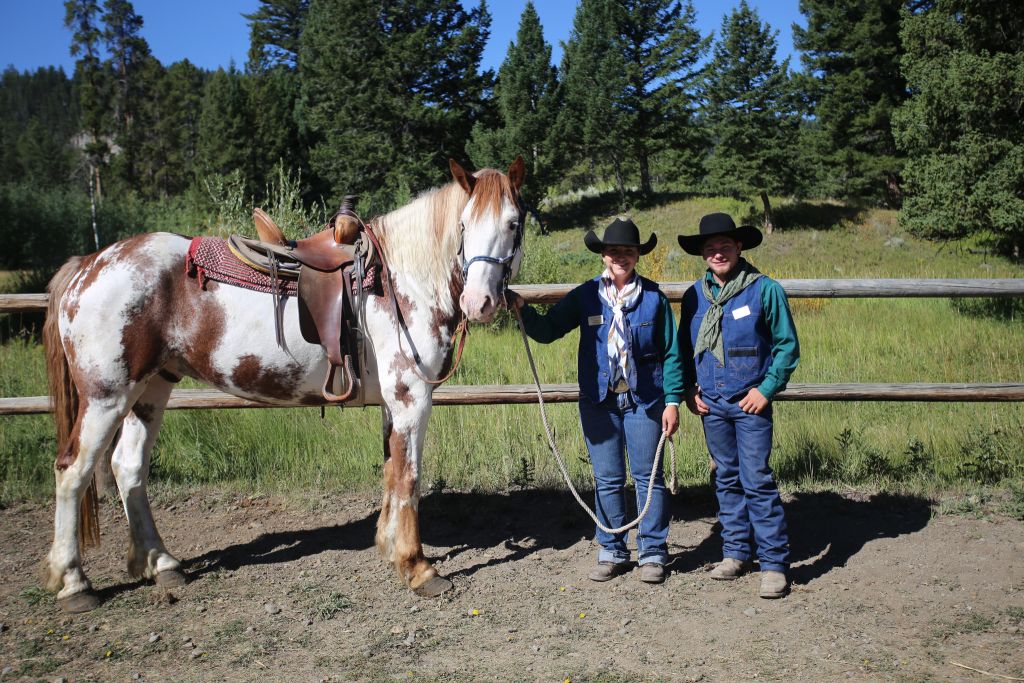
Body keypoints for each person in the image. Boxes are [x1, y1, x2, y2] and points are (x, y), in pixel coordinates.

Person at [509, 217, 683, 584]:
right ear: (603, 255)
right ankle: (613, 550)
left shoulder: (653, 298)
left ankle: (652, 552)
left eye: (629, 251)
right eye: (615, 251)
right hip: (599, 401)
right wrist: (524, 310)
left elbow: (671, 353)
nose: (622, 257)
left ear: (637, 256)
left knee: (649, 478)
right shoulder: (586, 295)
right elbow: (550, 329)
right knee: (607, 478)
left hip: (645, 401)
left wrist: (673, 402)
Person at [677, 213, 800, 599]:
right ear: (702, 254)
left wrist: (766, 389)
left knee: (756, 479)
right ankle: (735, 552)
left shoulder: (765, 290)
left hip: (750, 403)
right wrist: (689, 390)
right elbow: (684, 349)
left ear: (739, 248)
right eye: (711, 248)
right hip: (711, 403)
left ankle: (774, 562)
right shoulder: (696, 295)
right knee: (726, 478)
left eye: (725, 246)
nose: (718, 253)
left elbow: (786, 347)